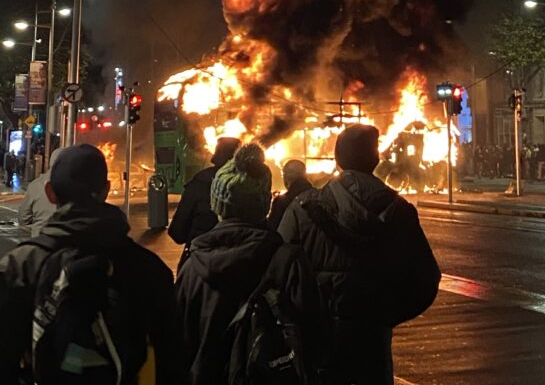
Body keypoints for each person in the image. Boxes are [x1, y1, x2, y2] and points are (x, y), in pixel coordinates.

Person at [0, 144, 183, 384]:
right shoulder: (149, 269)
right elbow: (172, 360)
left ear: (50, 193)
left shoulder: (20, 265)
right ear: (106, 190)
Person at [278, 124, 441, 385]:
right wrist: (385, 316)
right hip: (372, 343)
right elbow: (426, 279)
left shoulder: (303, 209)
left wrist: (302, 319)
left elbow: (278, 276)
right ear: (375, 160)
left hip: (318, 343)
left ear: (338, 159)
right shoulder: (399, 211)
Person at [176, 143, 319, 385]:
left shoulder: (193, 268)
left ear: (217, 206)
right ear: (264, 205)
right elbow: (317, 339)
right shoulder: (288, 261)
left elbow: (178, 346)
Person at [168, 137, 240, 272]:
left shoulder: (199, 184)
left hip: (197, 264)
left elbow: (177, 233)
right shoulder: (248, 187)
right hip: (239, 266)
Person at [18, 147, 65, 236]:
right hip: (66, 244)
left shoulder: (35, 185)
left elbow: (23, 219)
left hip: (39, 240)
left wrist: (37, 229)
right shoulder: (77, 186)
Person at [267, 159, 313, 230]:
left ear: (286, 177)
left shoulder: (281, 203)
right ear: (305, 175)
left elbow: (272, 229)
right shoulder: (319, 196)